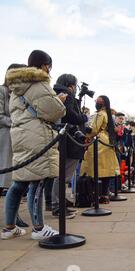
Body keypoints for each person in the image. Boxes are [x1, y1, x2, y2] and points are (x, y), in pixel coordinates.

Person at [1, 50, 66, 240]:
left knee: (19, 183)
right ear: (44, 65)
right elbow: (55, 112)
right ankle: (38, 228)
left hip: (21, 134)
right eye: (50, 66)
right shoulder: (38, 84)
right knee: (37, 181)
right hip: (36, 135)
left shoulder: (17, 85)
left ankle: (9, 227)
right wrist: (59, 101)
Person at [51, 74, 89, 218]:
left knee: (61, 175)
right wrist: (83, 118)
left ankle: (58, 203)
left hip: (65, 138)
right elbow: (70, 115)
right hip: (70, 140)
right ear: (71, 85)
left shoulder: (57, 93)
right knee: (63, 175)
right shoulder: (67, 95)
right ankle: (58, 206)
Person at [0, 64, 29, 228]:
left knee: (14, 181)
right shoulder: (2, 91)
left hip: (15, 139)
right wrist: (18, 123)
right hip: (4, 140)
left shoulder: (19, 93)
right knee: (4, 180)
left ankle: (13, 216)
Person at [80, 95, 120, 204]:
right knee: (106, 171)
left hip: (99, 142)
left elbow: (94, 129)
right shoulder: (108, 114)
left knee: (93, 169)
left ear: (101, 104)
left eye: (97, 101)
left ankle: (94, 194)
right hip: (107, 142)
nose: (96, 103)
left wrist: (87, 135)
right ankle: (105, 195)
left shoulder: (100, 114)